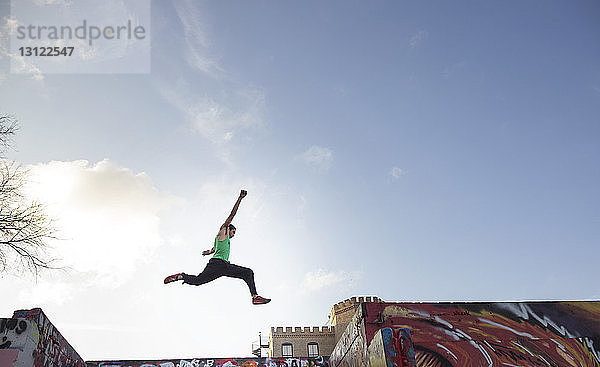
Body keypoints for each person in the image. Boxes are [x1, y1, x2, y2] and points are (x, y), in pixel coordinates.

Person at [164, 189, 271, 305]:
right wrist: (240, 198)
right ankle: (181, 276)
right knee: (198, 281)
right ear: (228, 229)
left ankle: (255, 297)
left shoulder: (221, 241)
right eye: (233, 232)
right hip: (217, 264)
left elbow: (214, 249)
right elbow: (232, 214)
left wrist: (208, 252)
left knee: (247, 273)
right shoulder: (223, 231)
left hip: (224, 267)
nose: (233, 235)